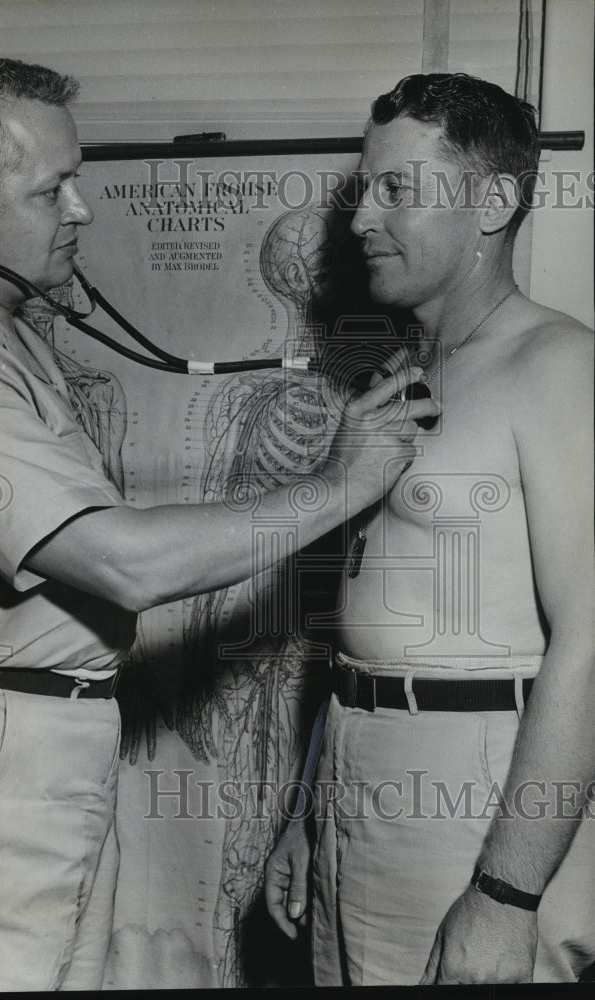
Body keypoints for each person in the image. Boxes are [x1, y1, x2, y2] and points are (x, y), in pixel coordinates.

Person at [0, 56, 437, 994]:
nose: (81, 210)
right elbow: (120, 562)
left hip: (29, 742)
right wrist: (342, 483)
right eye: (53, 189)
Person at [264, 72, 595, 987]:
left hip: (478, 798)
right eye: (364, 188)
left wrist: (507, 895)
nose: (362, 218)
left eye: (397, 189)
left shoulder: (559, 366)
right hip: (359, 769)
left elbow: (591, 643)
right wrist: (307, 811)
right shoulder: (402, 378)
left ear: (491, 203)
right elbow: (375, 619)